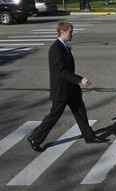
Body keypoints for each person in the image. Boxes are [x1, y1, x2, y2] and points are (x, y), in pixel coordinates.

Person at [27, 21, 107, 152]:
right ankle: (35, 138)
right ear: (63, 32)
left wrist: (76, 82)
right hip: (61, 89)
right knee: (54, 115)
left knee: (80, 111)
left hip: (71, 88)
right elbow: (61, 71)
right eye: (70, 31)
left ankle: (89, 136)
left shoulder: (65, 46)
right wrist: (80, 79)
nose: (72, 34)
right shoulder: (56, 49)